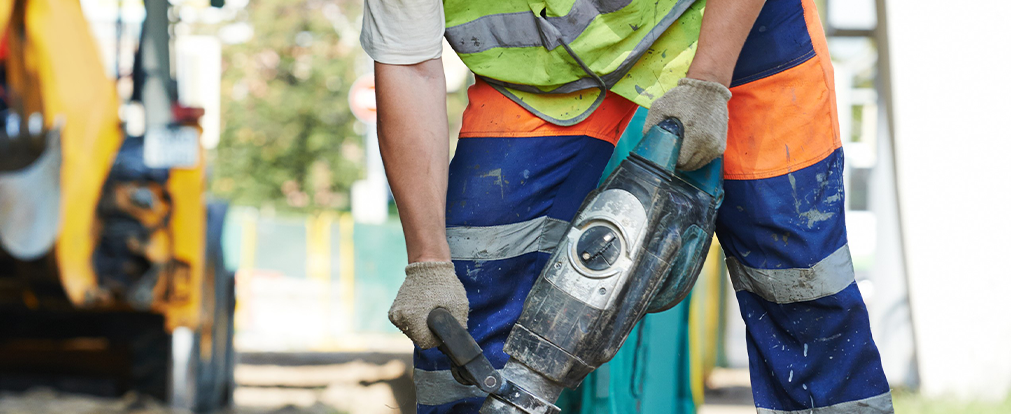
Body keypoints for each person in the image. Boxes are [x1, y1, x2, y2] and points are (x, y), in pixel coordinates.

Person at [361, 0, 894, 412]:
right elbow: (410, 67)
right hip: (543, 76)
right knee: (467, 295)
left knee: (800, 282)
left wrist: (709, 80)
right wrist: (427, 262)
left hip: (725, 26)